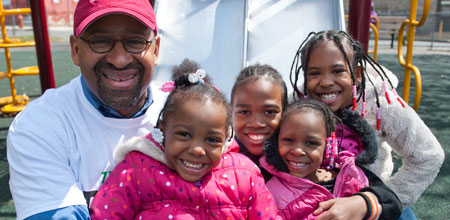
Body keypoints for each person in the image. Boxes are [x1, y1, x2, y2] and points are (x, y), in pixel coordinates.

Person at [7, 0, 161, 219]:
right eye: (101, 41)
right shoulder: (39, 125)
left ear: (156, 50)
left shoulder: (191, 116)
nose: (119, 60)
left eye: (135, 41)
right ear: (76, 50)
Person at [89, 59, 281, 219]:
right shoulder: (136, 170)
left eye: (212, 139)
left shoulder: (244, 174)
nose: (197, 149)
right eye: (184, 135)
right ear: (163, 130)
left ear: (226, 137)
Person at [290, 30, 444, 219]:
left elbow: (429, 155)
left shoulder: (381, 102)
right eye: (314, 73)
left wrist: (373, 200)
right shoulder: (297, 103)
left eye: (338, 71)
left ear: (357, 75)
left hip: (375, 200)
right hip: (315, 201)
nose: (326, 82)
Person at [261, 99, 397, 219]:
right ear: (276, 141)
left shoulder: (350, 173)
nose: (297, 151)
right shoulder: (270, 194)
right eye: (288, 140)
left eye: (311, 143)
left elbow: (392, 205)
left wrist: (364, 204)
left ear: (328, 145)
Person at [231, 64, 287, 181]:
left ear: (285, 113)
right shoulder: (217, 162)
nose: (256, 123)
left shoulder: (296, 160)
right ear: (231, 112)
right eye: (244, 112)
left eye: (270, 112)